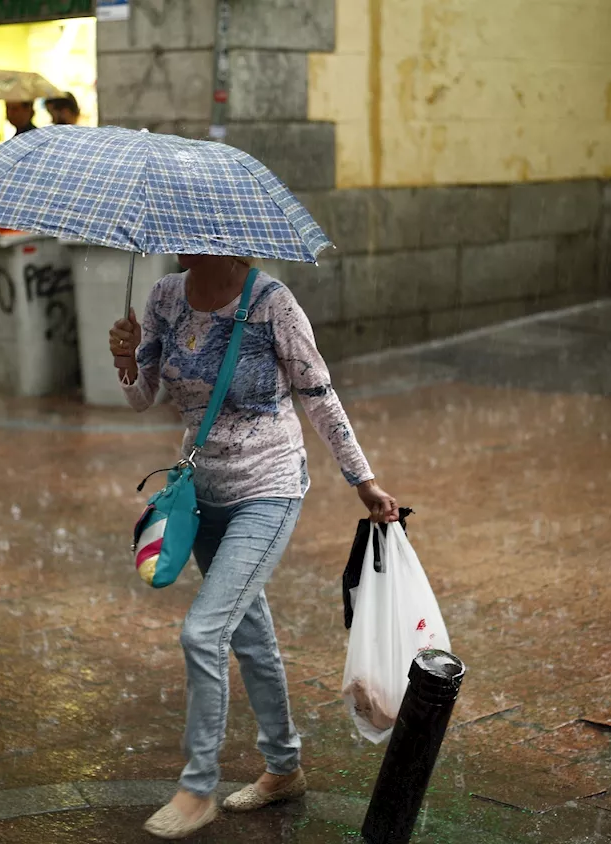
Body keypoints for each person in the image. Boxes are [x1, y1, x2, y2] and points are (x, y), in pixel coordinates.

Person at [108, 255, 399, 840]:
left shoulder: (272, 304)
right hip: (201, 495)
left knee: (203, 631)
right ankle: (284, 766)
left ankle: (197, 789)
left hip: (268, 488)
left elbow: (319, 395)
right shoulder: (165, 295)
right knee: (249, 633)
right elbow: (143, 397)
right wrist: (126, 358)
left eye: (188, 224)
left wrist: (362, 478)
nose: (176, 236)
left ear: (219, 236)